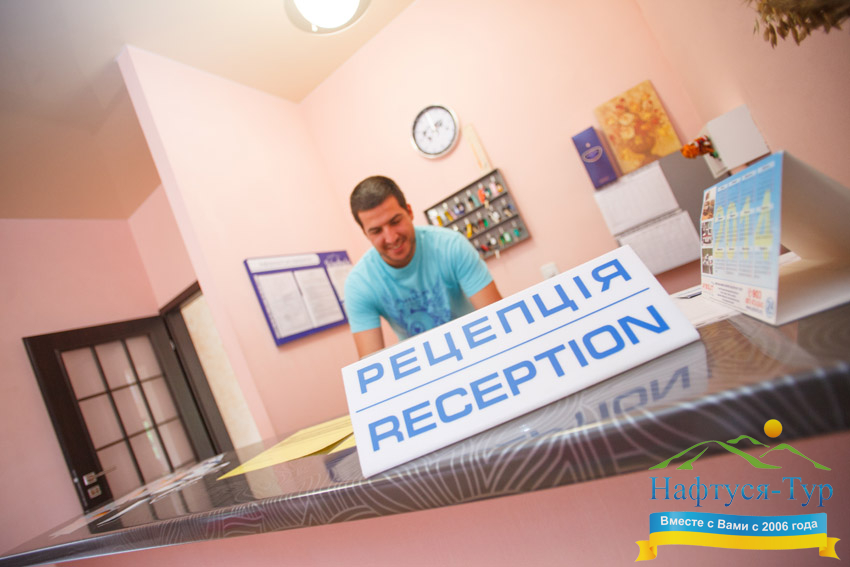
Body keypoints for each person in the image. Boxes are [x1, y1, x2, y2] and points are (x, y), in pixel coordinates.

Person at [345, 175, 502, 358]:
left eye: (395, 222)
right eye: (376, 231)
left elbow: (497, 318)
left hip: (478, 349)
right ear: (365, 233)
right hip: (422, 365)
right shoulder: (359, 285)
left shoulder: (451, 246)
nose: (391, 238)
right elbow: (370, 364)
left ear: (409, 212)